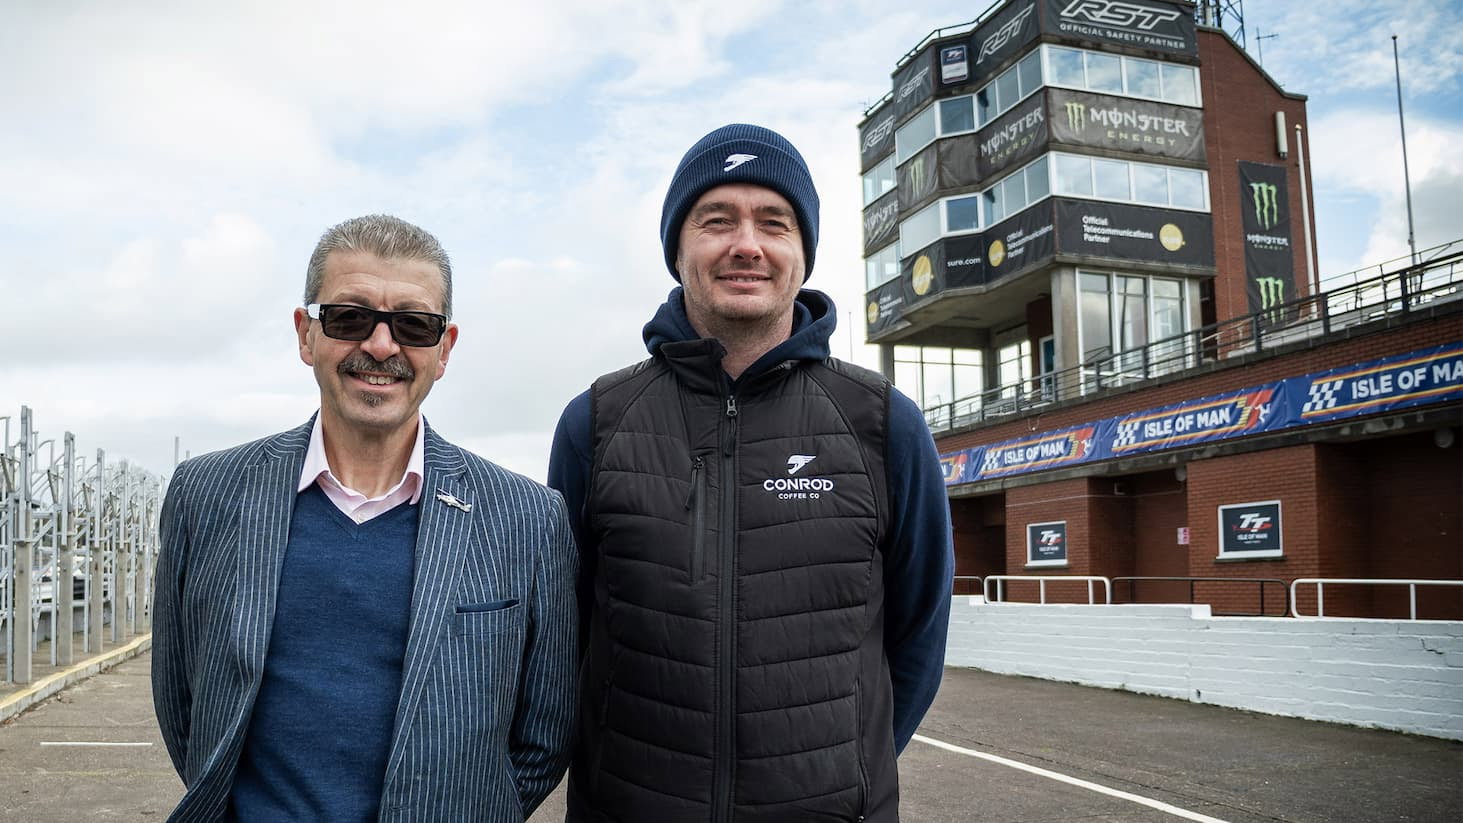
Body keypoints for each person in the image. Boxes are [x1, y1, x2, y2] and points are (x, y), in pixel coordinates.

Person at [548, 124, 954, 822]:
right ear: (677, 249)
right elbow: (562, 637)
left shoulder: (884, 425)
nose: (746, 244)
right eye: (716, 220)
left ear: (802, 253)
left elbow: (918, 633)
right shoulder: (595, 422)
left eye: (774, 222)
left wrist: (844, 777)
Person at [152, 214, 578, 822]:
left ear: (444, 349)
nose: (381, 346)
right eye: (350, 318)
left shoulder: (527, 517)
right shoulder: (209, 495)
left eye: (413, 325)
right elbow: (183, 701)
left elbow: (545, 730)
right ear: (306, 334)